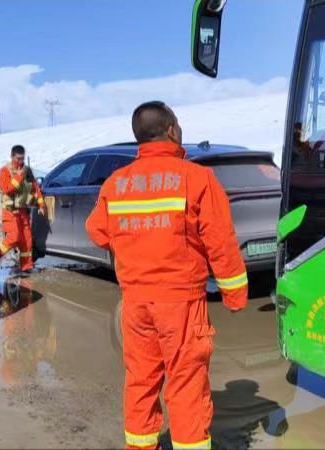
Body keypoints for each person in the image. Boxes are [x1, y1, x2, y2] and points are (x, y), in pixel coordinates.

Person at [85, 101, 248, 450]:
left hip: (136, 305)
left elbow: (96, 231)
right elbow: (221, 241)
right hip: (181, 304)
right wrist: (235, 294)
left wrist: (134, 239)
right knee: (187, 385)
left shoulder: (117, 183)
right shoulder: (197, 178)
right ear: (172, 129)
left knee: (141, 381)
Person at [0, 145, 46, 273]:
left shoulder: (27, 171)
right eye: (18, 159)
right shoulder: (5, 171)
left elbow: (35, 188)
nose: (21, 162)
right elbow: (7, 189)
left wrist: (41, 205)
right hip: (10, 212)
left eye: (22, 159)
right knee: (14, 237)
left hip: (23, 212)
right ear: (12, 157)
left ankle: (26, 267)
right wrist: (18, 177)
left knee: (27, 240)